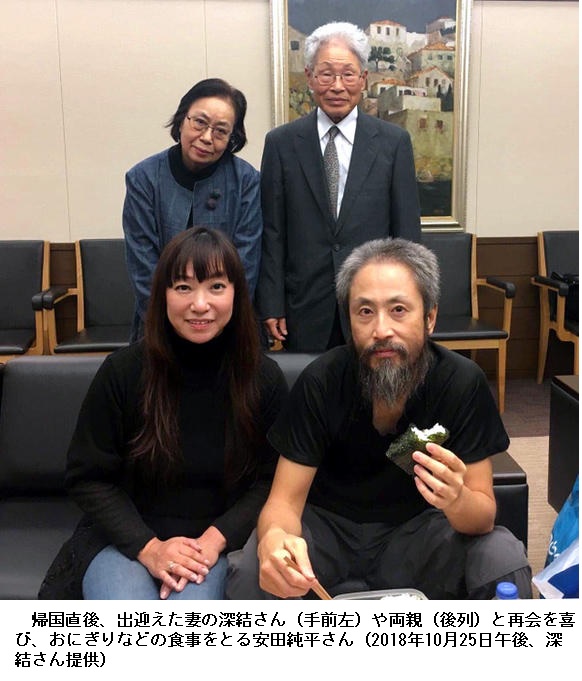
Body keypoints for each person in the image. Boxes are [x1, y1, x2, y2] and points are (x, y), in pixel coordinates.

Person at [226, 237, 532, 600]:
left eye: (398, 310)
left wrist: (456, 498)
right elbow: (283, 504)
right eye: (365, 312)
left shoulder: (461, 383)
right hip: (327, 533)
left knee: (502, 558)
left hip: (420, 533)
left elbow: (482, 515)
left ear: (430, 317)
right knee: (254, 567)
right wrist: (275, 537)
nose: (381, 330)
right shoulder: (321, 381)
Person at [39, 227, 288, 600]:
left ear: (237, 293)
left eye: (216, 287)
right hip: (126, 539)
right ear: (162, 294)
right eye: (183, 287)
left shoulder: (263, 378)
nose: (200, 304)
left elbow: (274, 481)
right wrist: (149, 547)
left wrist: (216, 538)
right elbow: (88, 478)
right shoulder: (123, 372)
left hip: (216, 543)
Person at [256, 22, 421, 353]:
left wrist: (410, 302)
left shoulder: (393, 143)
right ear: (309, 77)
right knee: (308, 385)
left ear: (363, 79)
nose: (337, 86)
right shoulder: (281, 143)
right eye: (326, 74)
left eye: (347, 75)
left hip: (374, 307)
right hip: (304, 305)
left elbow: (406, 235)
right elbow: (272, 232)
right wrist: (271, 303)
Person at [123, 78, 262, 341]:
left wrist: (218, 322)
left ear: (232, 138)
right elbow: (143, 264)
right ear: (181, 120)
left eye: (220, 131)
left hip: (228, 327)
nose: (207, 137)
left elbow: (246, 264)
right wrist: (170, 325)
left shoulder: (246, 181)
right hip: (158, 324)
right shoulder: (144, 178)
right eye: (199, 122)